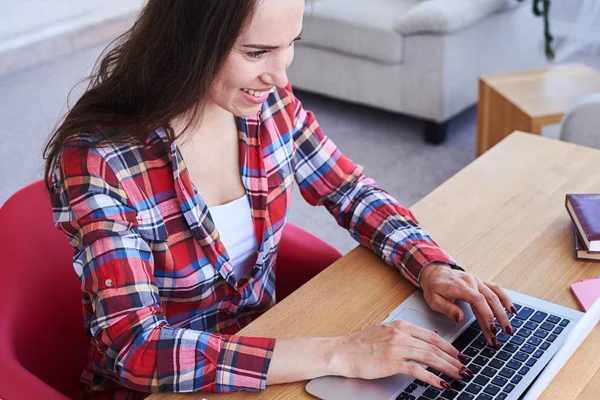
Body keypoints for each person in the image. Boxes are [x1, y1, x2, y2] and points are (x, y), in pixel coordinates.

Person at [44, 0, 517, 398]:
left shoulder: (266, 103)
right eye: (257, 52)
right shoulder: (100, 159)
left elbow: (347, 189)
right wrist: (339, 352)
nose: (279, 72)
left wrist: (431, 265)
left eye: (291, 44)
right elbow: (134, 347)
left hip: (273, 360)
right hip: (166, 390)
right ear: (187, 41)